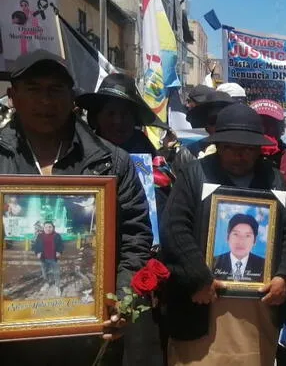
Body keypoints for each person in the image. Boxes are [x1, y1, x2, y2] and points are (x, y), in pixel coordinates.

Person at [0, 49, 152, 365]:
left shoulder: (111, 162)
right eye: (33, 89)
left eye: (56, 90)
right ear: (12, 95)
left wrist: (120, 303)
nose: (45, 101)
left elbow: (135, 240)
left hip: (88, 343)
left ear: (72, 97)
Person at [160, 103, 286, 366]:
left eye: (247, 149)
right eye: (230, 147)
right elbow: (174, 228)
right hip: (202, 302)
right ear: (219, 145)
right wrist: (197, 277)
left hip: (256, 312)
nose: (238, 156)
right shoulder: (195, 174)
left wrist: (285, 275)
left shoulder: (273, 180)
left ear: (258, 149)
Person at [77, 73, 169, 155]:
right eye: (111, 113)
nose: (117, 121)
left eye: (125, 114)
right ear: (97, 117)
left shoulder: (143, 146)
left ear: (134, 119)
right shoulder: (83, 150)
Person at [250, 99, 286, 194]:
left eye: (271, 123)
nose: (265, 129)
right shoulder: (234, 159)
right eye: (259, 124)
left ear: (282, 129)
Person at [213, 213, 265, 282]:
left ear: (254, 241)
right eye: (236, 234)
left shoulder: (264, 266)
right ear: (227, 237)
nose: (241, 241)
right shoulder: (213, 262)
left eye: (247, 236)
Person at [32, 221, 64, 297]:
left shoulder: (57, 236)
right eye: (46, 227)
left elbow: (61, 245)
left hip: (54, 258)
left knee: (56, 273)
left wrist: (59, 252)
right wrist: (37, 253)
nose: (48, 229)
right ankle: (46, 284)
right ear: (43, 228)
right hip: (43, 258)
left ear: (53, 227)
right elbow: (35, 246)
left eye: (50, 227)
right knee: (44, 273)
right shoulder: (40, 236)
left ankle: (57, 287)